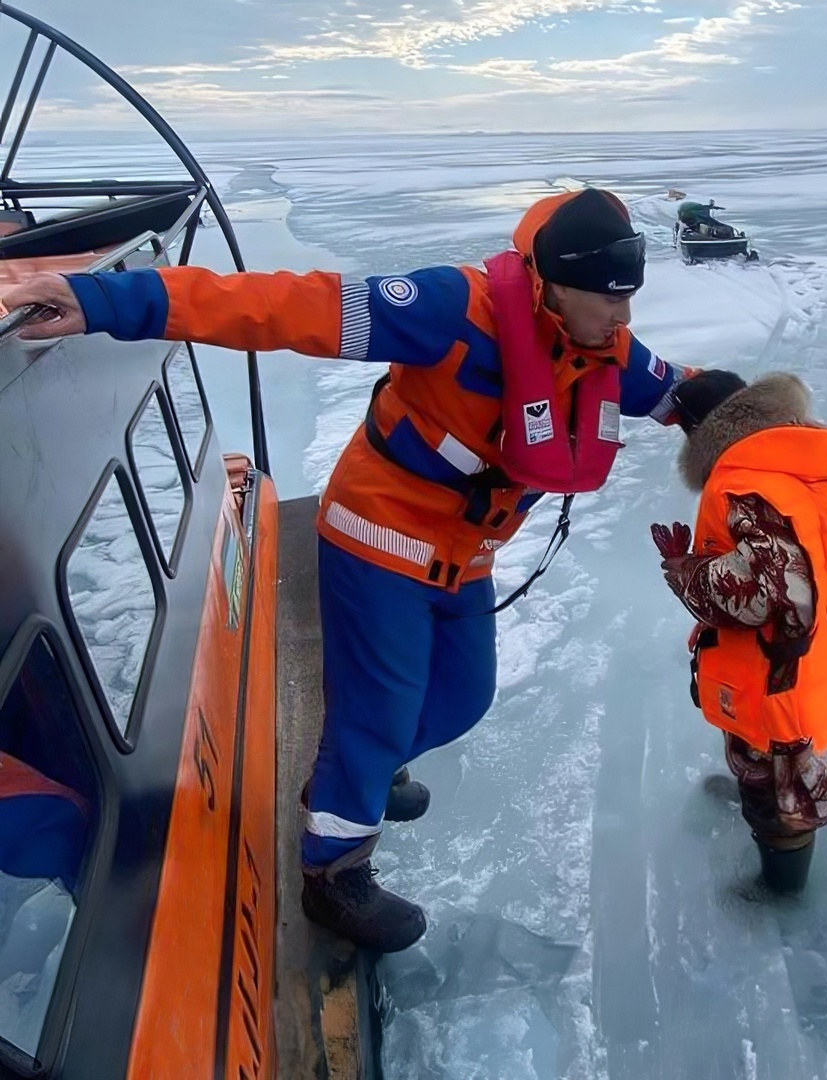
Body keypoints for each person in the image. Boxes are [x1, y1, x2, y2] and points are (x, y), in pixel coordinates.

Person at [1, 187, 705, 951]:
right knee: (378, 715)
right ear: (553, 284)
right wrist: (100, 298)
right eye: (608, 300)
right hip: (378, 537)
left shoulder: (600, 346)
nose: (623, 318)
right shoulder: (448, 310)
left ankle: (348, 776)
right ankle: (333, 876)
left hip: (460, 556)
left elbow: (680, 392)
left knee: (463, 699)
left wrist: (755, 426)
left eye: (628, 300)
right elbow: (279, 307)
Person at [652, 369, 827, 893]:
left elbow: (771, 593)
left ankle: (782, 886)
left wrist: (684, 570)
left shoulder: (746, 480)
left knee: (788, 791)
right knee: (776, 752)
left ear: (702, 432)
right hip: (820, 651)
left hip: (782, 671)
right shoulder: (809, 464)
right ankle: (755, 787)